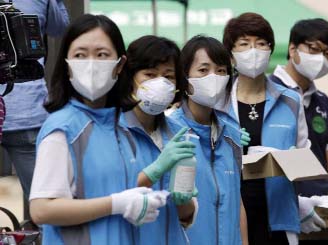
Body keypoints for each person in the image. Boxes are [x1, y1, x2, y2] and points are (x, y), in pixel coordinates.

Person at [29, 14, 167, 245]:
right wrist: (115, 204)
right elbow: (42, 210)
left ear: (120, 65)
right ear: (67, 65)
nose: (91, 64)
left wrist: (140, 203)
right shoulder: (63, 129)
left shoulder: (122, 128)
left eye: (102, 55)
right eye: (80, 55)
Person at [268, 18, 328, 244]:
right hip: (278, 213)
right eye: (314, 49)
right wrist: (295, 203)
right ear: (292, 48)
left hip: (323, 215)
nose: (321, 59)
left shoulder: (322, 102)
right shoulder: (265, 93)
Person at [222, 12, 309, 245]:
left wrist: (283, 159)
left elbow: (305, 159)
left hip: (278, 218)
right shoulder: (216, 102)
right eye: (244, 44)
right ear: (230, 55)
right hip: (228, 215)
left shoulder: (291, 100)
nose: (254, 51)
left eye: (261, 44)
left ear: (270, 51)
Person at [169, 35, 247, 245]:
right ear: (185, 77)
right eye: (203, 70)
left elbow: (237, 201)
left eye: (221, 71)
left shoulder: (232, 133)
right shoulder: (170, 131)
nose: (213, 77)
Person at [122, 35, 198, 245]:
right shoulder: (113, 130)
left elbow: (185, 216)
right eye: (150, 74)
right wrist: (154, 171)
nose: (160, 83)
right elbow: (109, 197)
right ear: (130, 77)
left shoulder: (179, 133)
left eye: (168, 76)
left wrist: (185, 199)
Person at [1, 0, 69, 219]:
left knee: (45, 205)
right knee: (45, 206)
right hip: (27, 110)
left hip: (26, 112)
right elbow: (61, 28)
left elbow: (61, 28)